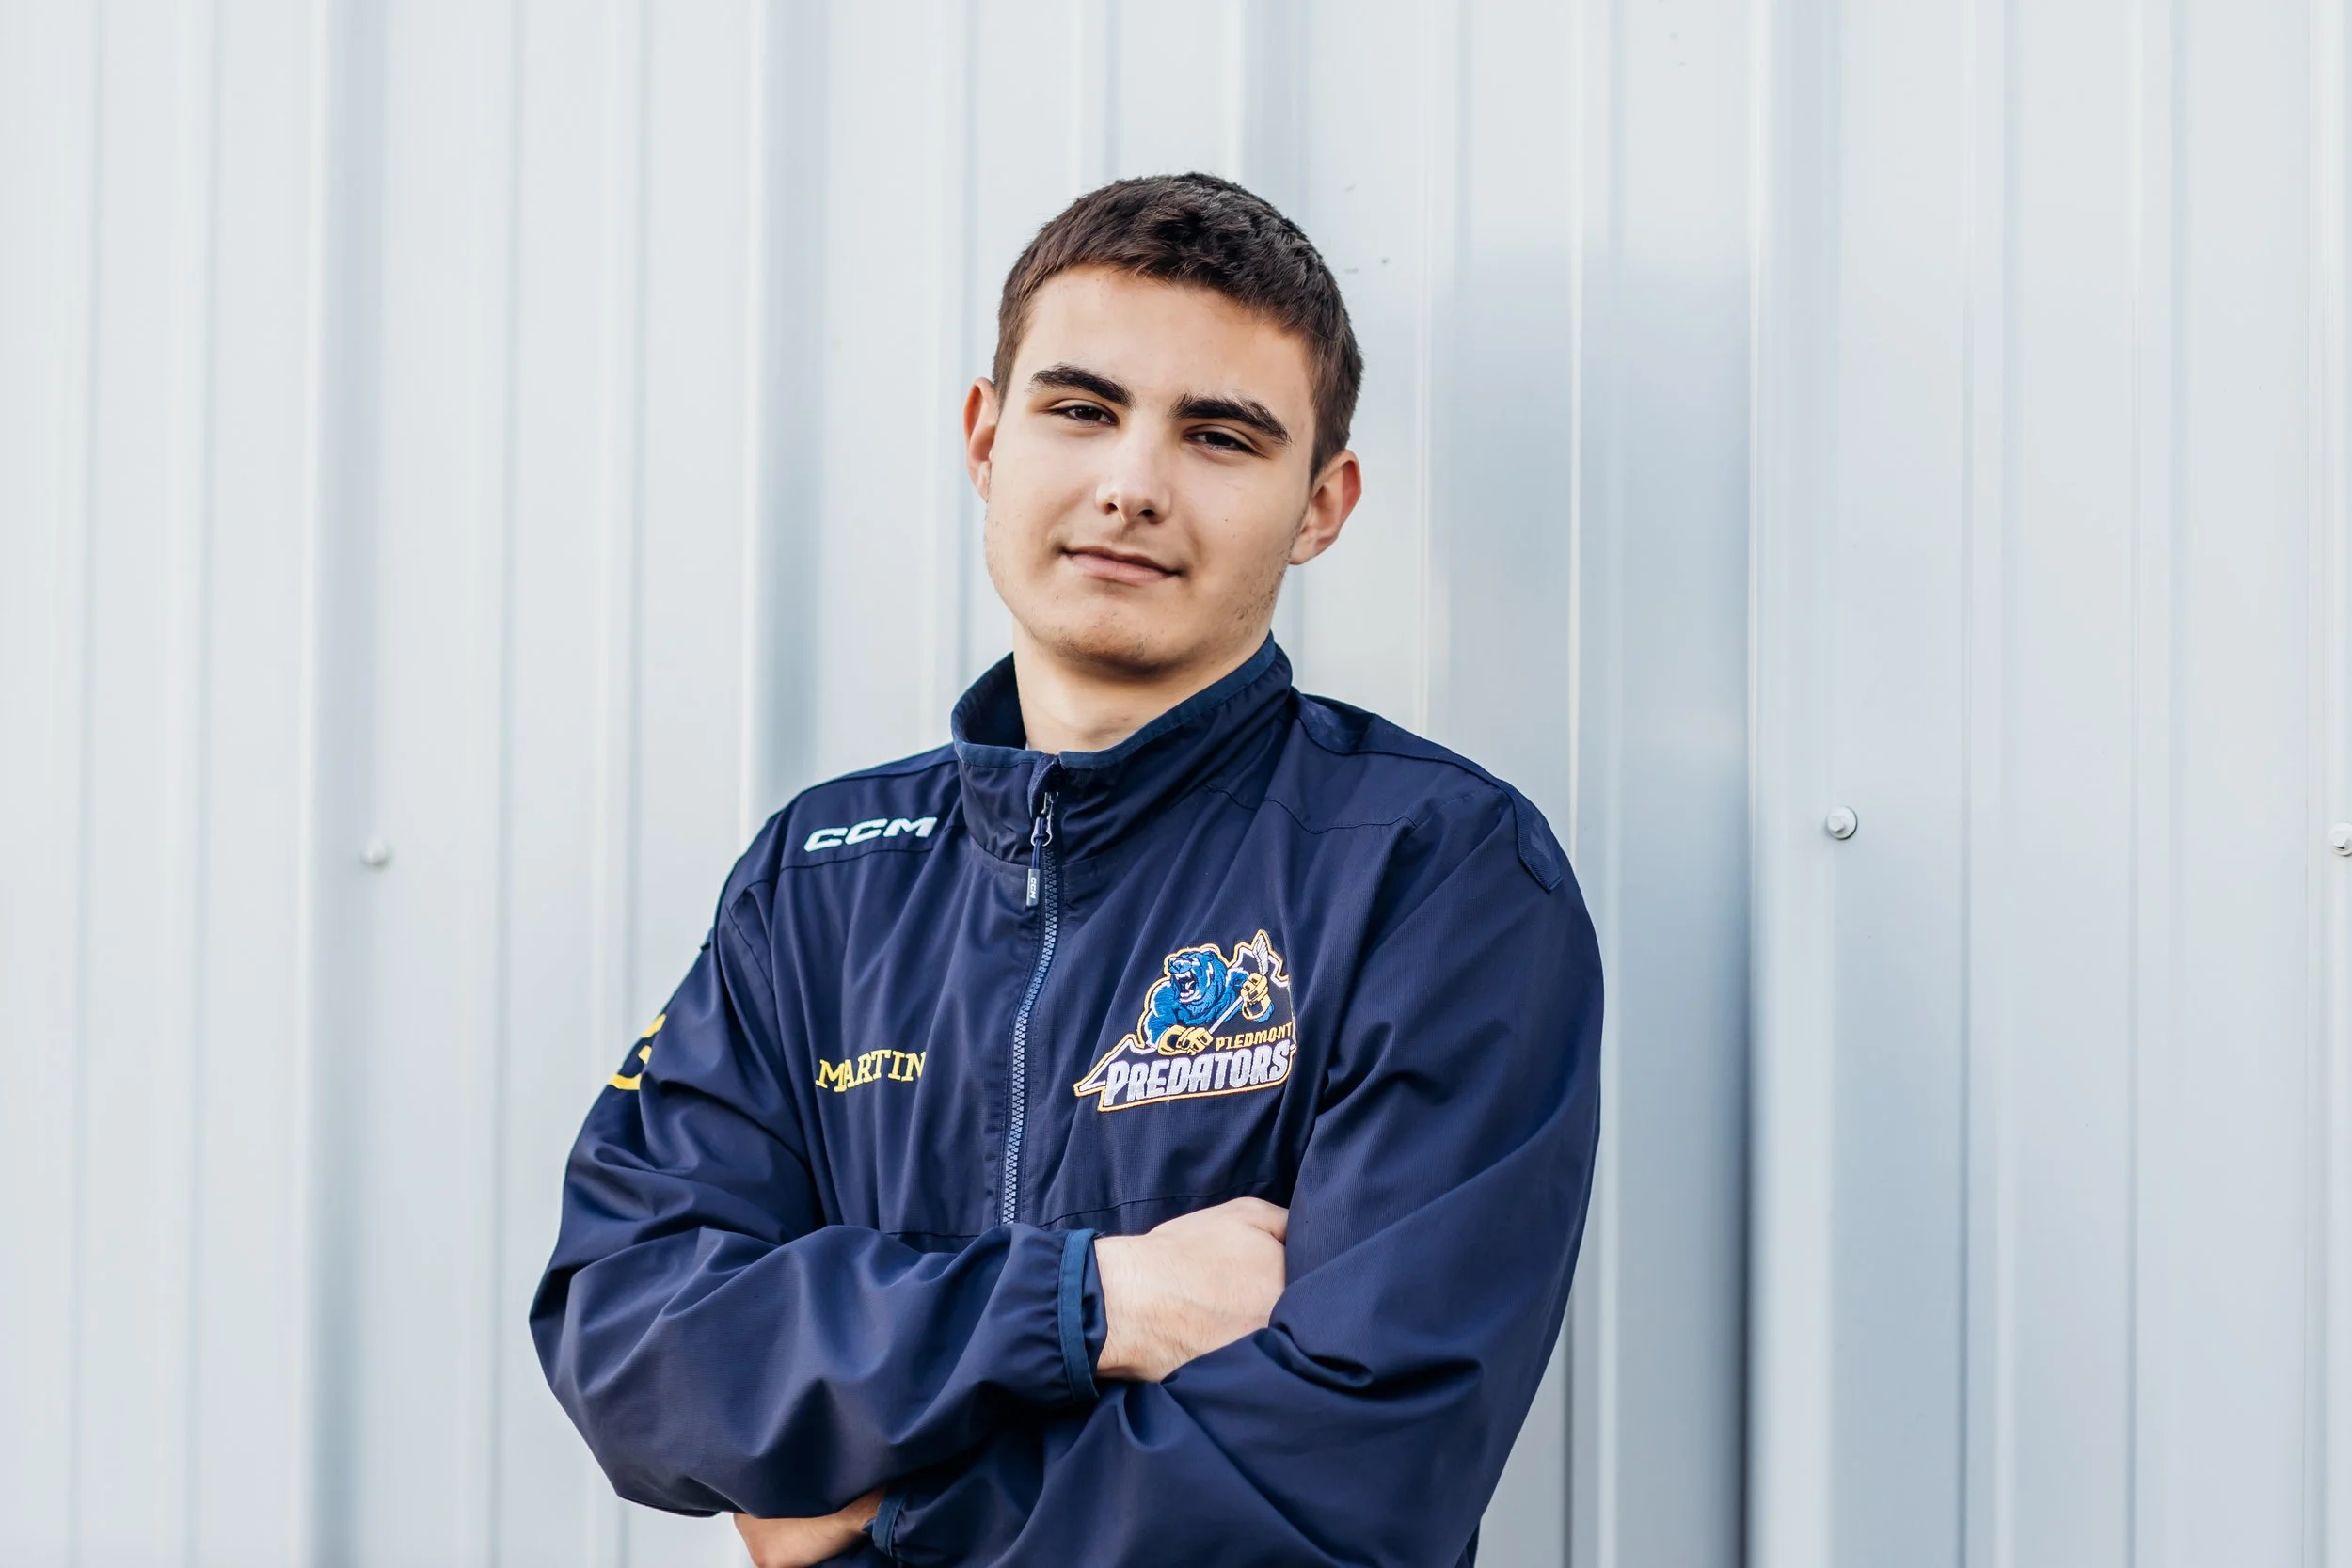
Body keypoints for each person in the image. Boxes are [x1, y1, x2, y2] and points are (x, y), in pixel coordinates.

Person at [532, 172, 1603, 1568]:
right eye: (1083, 410)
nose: (1132, 485)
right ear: (988, 438)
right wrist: (1093, 1299)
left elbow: (1357, 1473)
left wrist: (886, 1513)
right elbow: (634, 1337)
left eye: (1219, 436)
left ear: (1320, 505)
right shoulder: (820, 882)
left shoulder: (1436, 876)